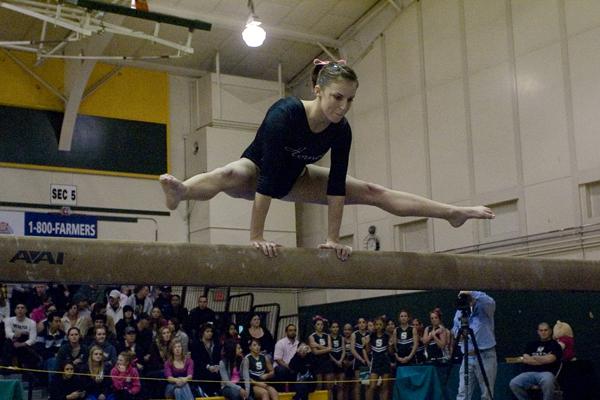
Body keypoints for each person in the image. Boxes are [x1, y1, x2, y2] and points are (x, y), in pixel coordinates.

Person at [159, 60, 495, 261]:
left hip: (298, 176)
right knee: (230, 172)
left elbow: (336, 187)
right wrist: (256, 235)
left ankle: (452, 213)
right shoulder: (284, 113)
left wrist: (333, 238)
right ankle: (182, 191)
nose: (344, 106)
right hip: (258, 171)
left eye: (350, 99)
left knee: (372, 191)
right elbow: (270, 176)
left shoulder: (341, 129)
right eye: (337, 97)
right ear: (318, 90)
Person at [451, 291, 497, 400]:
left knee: (487, 393)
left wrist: (471, 293)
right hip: (467, 356)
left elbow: (490, 302)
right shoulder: (460, 311)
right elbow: (454, 328)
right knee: (462, 393)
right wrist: (459, 333)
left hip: (485, 354)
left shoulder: (485, 308)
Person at [509, 322, 563, 400]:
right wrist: (543, 358)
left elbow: (550, 359)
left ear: (550, 331)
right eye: (541, 330)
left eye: (545, 330)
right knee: (514, 383)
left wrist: (534, 358)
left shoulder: (555, 345)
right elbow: (525, 358)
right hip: (530, 373)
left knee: (548, 381)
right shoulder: (531, 344)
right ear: (538, 332)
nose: (543, 332)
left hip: (546, 373)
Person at [4, 303, 41, 369]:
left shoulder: (32, 322)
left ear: (26, 310)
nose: (20, 309)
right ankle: (8, 367)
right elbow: (8, 333)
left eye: (22, 308)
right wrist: (14, 335)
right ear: (15, 311)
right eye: (18, 308)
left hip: (24, 344)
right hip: (12, 342)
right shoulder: (9, 320)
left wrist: (21, 344)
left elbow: (33, 339)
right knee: (7, 343)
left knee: (35, 358)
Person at [364, 317, 392, 400]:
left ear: (383, 325)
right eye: (376, 324)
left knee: (385, 386)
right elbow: (368, 351)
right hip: (375, 362)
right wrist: (367, 343)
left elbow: (391, 352)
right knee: (372, 386)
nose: (378, 326)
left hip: (385, 362)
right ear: (374, 325)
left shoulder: (387, 336)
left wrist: (391, 344)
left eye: (380, 324)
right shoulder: (371, 336)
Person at [191, 323, 222, 396]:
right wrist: (208, 367)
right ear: (202, 332)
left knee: (218, 375)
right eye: (207, 331)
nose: (210, 333)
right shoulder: (196, 344)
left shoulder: (216, 344)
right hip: (201, 370)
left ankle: (216, 393)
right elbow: (196, 360)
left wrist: (217, 366)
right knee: (208, 376)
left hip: (215, 369)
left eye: (211, 331)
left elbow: (218, 358)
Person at [308, 316, 334, 392]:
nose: (320, 326)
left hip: (327, 361)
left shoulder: (327, 336)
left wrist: (317, 345)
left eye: (321, 324)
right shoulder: (312, 336)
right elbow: (315, 352)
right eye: (318, 324)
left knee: (329, 386)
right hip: (317, 362)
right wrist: (326, 349)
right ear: (315, 326)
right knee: (319, 385)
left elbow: (330, 349)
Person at [273, 323, 299, 390]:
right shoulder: (280, 343)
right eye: (290, 330)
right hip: (281, 366)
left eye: (294, 330)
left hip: (293, 367)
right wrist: (290, 367)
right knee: (281, 370)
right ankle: (281, 392)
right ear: (286, 332)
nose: (293, 332)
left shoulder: (298, 343)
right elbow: (278, 360)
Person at [350, 317, 369, 400]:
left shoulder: (369, 334)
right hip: (358, 362)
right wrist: (361, 359)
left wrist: (367, 361)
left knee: (365, 384)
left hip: (367, 362)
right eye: (360, 322)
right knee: (358, 384)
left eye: (363, 322)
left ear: (366, 324)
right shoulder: (354, 334)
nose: (362, 324)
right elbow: (352, 349)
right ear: (357, 324)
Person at [328, 321, 346, 400]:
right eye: (333, 327)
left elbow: (344, 351)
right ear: (330, 328)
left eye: (337, 327)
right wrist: (335, 361)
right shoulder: (328, 337)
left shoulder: (341, 338)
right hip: (331, 363)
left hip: (340, 363)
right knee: (330, 387)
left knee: (340, 386)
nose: (335, 329)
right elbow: (328, 352)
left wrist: (340, 360)